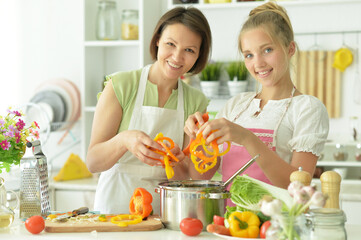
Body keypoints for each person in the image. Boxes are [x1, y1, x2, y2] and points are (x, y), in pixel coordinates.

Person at [184, 2, 329, 199]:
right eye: (249, 55)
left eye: (267, 50)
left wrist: (247, 138)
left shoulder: (307, 108)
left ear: (290, 49)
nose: (258, 63)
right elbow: (200, 174)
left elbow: (298, 187)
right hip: (228, 224)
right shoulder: (236, 105)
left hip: (275, 225)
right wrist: (197, 139)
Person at [86, 7, 212, 214]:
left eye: (190, 50)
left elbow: (186, 178)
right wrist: (124, 140)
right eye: (170, 44)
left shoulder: (196, 101)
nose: (177, 57)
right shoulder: (121, 85)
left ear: (199, 55)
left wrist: (177, 160)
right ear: (157, 41)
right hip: (114, 212)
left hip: (164, 214)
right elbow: (93, 162)